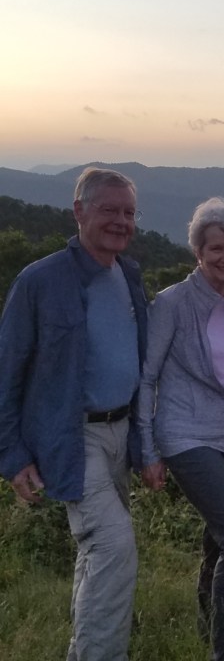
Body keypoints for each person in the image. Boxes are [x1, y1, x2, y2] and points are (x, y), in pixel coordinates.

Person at [0, 167, 147, 661]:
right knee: (114, 549)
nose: (120, 221)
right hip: (71, 436)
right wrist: (12, 454)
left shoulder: (128, 273)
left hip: (121, 433)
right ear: (78, 211)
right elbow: (7, 372)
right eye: (108, 209)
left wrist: (145, 444)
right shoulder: (39, 280)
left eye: (128, 212)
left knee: (96, 553)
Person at [137, 197, 224, 661]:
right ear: (198, 250)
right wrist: (147, 448)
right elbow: (147, 377)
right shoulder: (171, 303)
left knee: (220, 540)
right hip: (186, 435)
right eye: (215, 248)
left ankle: (207, 626)